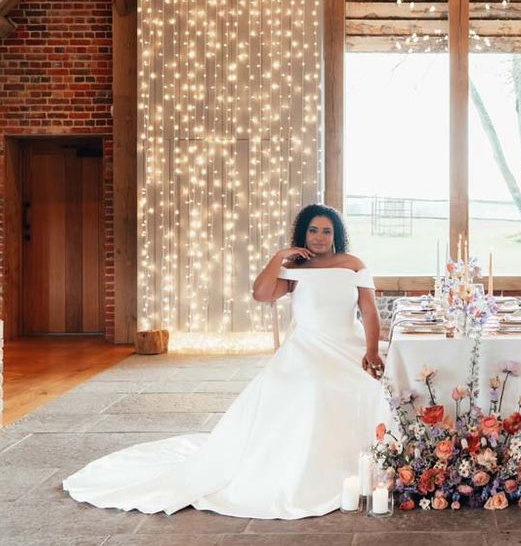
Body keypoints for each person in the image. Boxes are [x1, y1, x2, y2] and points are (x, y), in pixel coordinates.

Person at [63, 204, 385, 519]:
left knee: (370, 388)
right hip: (308, 348)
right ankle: (309, 469)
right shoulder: (295, 269)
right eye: (313, 230)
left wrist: (371, 350)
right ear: (303, 233)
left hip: (347, 343)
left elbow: (369, 311)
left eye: (326, 231)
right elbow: (261, 293)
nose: (319, 236)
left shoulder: (352, 264)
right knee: (314, 387)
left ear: (336, 235)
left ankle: (363, 463)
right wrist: (278, 258)